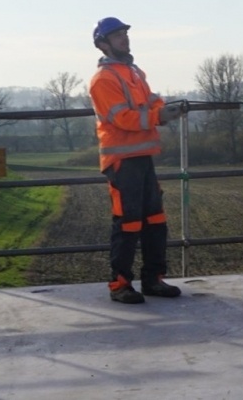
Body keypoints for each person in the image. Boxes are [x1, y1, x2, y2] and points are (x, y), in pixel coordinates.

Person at [88, 16, 181, 304]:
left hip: (141, 157)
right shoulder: (103, 80)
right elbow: (123, 119)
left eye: (124, 34)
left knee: (155, 220)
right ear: (103, 45)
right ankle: (120, 285)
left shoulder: (134, 73)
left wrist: (165, 109)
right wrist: (158, 116)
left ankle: (153, 279)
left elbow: (152, 100)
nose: (124, 39)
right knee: (127, 222)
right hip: (121, 160)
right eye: (117, 36)